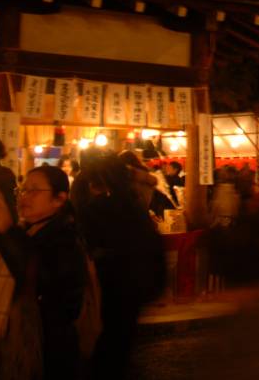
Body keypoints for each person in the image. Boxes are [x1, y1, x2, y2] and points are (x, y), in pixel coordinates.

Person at [0, 165, 87, 378]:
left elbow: (42, 280)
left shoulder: (67, 241)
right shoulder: (17, 233)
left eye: (34, 190)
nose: (24, 196)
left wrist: (7, 231)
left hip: (43, 353)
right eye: (22, 189)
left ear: (59, 199)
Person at [71, 153, 165, 379]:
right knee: (120, 346)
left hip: (106, 288)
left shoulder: (94, 208)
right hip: (133, 289)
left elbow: (83, 245)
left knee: (102, 349)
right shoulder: (134, 206)